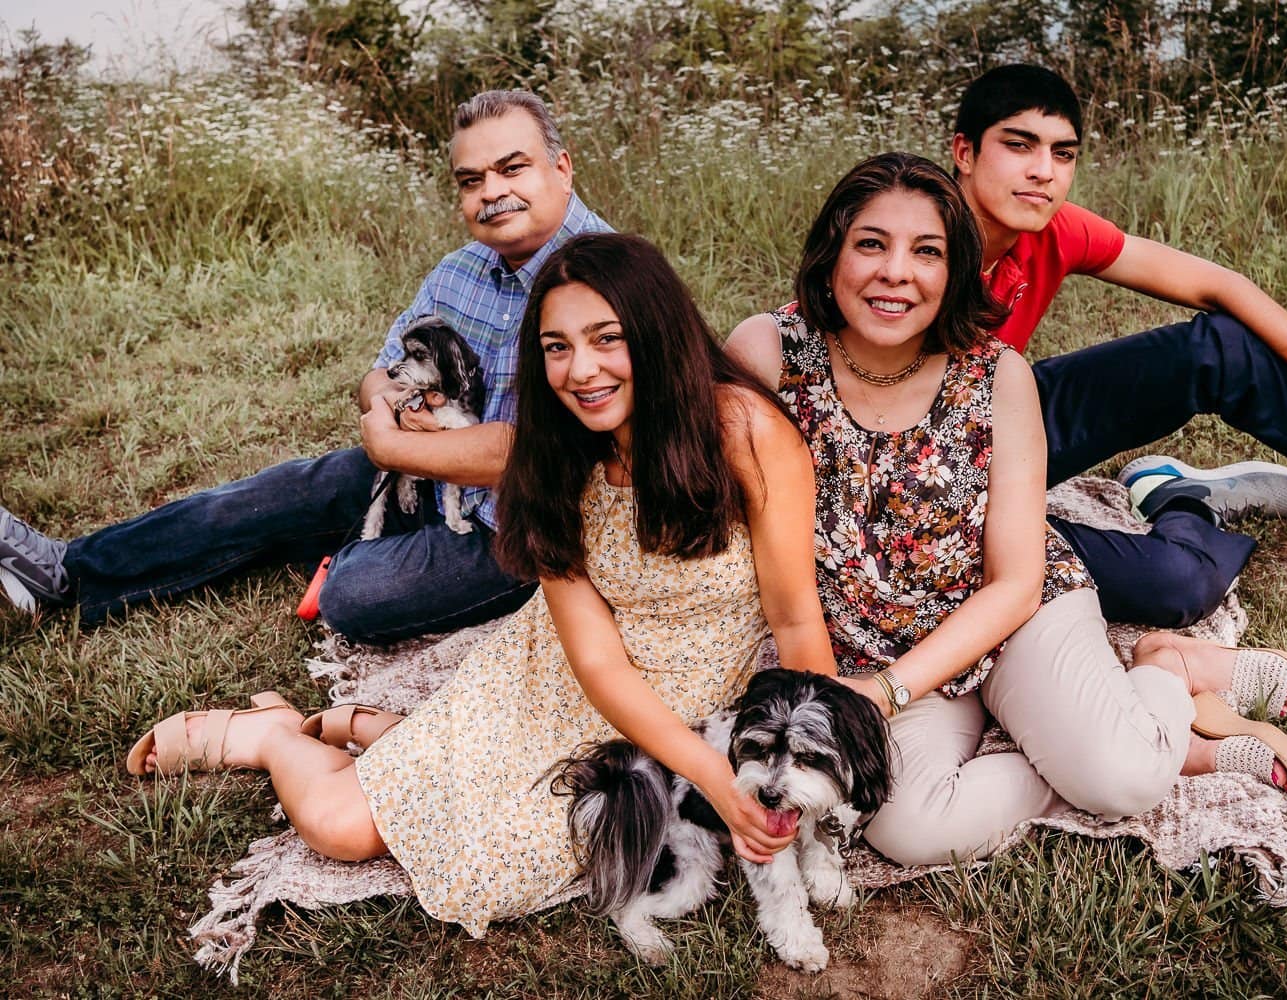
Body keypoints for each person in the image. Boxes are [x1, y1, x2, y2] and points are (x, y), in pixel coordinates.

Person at [124, 232, 836, 929]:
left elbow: (797, 621)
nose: (581, 370)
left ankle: (380, 733)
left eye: (606, 339)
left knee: (504, 856)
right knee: (342, 829)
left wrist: (807, 763)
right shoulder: (554, 454)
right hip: (562, 678)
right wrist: (712, 780)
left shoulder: (744, 432)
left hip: (692, 705)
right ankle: (275, 736)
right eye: (557, 348)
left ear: (658, 334)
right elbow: (594, 659)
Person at [727, 152, 1287, 867]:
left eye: (927, 252)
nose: (896, 273)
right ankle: (1089, 754)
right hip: (868, 639)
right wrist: (834, 693)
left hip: (1009, 618)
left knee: (1125, 780)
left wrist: (883, 695)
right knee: (906, 829)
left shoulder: (995, 375)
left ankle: (1167, 668)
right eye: (872, 244)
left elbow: (1015, 581)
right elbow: (766, 550)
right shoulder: (770, 354)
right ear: (831, 256)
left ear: (953, 274)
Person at [0, 90, 610, 642]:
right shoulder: (459, 270)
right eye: (470, 180)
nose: (491, 192)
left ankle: (355, 554)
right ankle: (66, 571)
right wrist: (389, 408)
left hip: (526, 527)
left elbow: (538, 454)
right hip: (428, 474)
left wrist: (391, 446)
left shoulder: (608, 277)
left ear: (561, 166)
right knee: (269, 494)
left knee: (353, 594)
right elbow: (379, 374)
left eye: (512, 168)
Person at [947, 64, 1287, 622]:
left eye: (1062, 154)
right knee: (1176, 584)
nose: (1043, 172)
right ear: (965, 153)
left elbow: (1221, 286)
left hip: (1001, 417)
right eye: (1019, 146)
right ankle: (1182, 503)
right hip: (915, 487)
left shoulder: (1052, 229)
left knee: (1222, 350)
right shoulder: (904, 242)